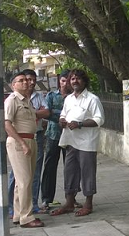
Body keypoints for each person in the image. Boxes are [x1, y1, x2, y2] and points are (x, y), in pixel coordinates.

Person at [50, 69, 104, 217]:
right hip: (70, 140)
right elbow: (63, 114)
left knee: (87, 172)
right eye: (72, 79)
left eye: (78, 79)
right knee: (69, 171)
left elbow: (99, 120)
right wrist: (62, 120)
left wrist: (80, 124)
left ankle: (88, 204)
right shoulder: (68, 99)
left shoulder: (92, 99)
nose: (75, 81)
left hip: (87, 142)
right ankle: (69, 203)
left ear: (85, 81)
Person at [4, 72, 44, 228]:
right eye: (21, 81)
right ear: (13, 85)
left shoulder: (27, 100)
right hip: (19, 141)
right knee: (25, 180)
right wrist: (22, 143)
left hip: (30, 139)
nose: (26, 83)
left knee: (22, 181)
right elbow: (7, 124)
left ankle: (18, 213)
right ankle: (27, 217)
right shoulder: (12, 100)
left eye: (27, 80)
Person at [40, 70, 71, 209]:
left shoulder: (73, 97)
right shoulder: (52, 96)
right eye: (63, 81)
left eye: (68, 81)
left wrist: (57, 114)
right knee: (50, 166)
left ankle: (70, 197)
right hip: (53, 134)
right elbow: (47, 113)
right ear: (60, 81)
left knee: (70, 167)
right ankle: (47, 199)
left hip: (69, 135)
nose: (65, 84)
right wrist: (61, 117)